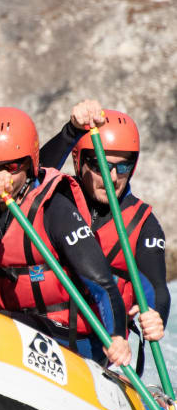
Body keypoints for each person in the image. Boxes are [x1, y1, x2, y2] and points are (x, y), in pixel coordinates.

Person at [0, 106, 131, 367]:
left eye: (10, 166)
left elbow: (101, 283)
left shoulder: (54, 208)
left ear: (30, 164)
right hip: (9, 323)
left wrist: (117, 337)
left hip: (67, 336)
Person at [40, 99, 169, 357]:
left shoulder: (143, 223)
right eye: (100, 165)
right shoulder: (53, 198)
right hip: (38, 328)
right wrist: (71, 131)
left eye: (123, 167)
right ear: (79, 162)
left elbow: (157, 287)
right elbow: (30, 174)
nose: (112, 178)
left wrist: (156, 315)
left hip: (92, 345)